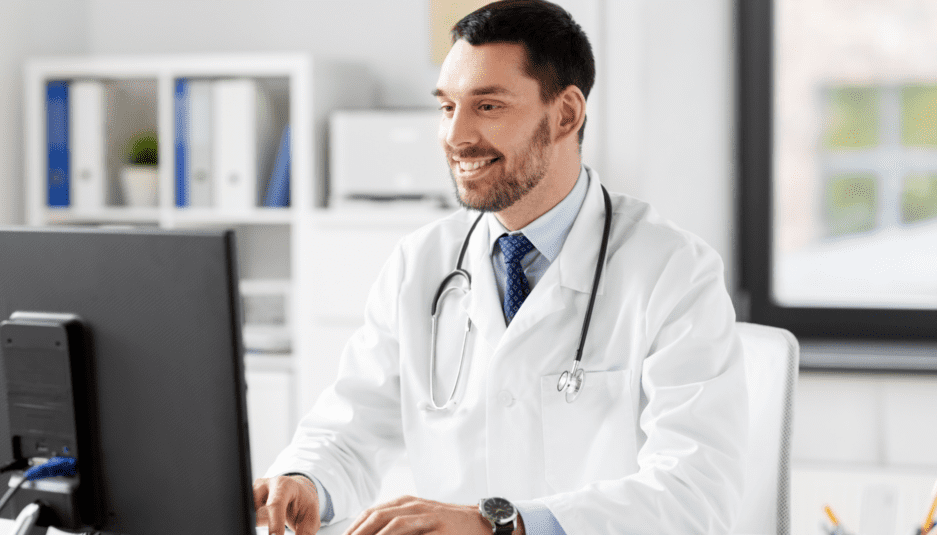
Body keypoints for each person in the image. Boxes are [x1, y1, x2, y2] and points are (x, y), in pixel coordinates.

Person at [255, 1, 748, 534]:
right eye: (448, 108)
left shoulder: (673, 271)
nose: (457, 136)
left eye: (487, 107)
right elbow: (352, 424)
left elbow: (697, 493)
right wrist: (307, 479)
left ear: (566, 114)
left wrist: (503, 526)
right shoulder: (421, 263)